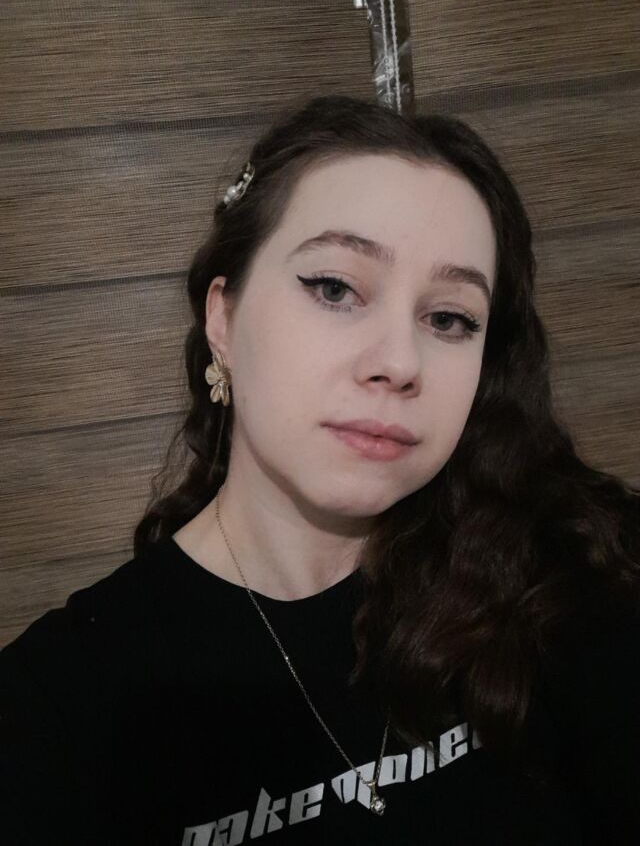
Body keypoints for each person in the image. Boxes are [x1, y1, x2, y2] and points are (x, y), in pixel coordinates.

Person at [1, 94, 639, 846]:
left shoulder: (571, 572)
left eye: (449, 318)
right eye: (335, 288)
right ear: (223, 317)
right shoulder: (59, 704)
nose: (399, 362)